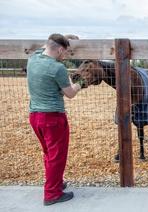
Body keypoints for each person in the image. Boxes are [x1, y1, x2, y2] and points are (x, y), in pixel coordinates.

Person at [27, 33, 86, 206]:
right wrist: (81, 83)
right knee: (57, 156)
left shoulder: (33, 58)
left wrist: (64, 37)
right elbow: (70, 94)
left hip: (35, 115)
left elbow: (46, 46)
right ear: (60, 49)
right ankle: (52, 194)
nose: (65, 55)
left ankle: (55, 183)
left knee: (49, 153)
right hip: (53, 117)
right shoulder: (57, 68)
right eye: (65, 52)